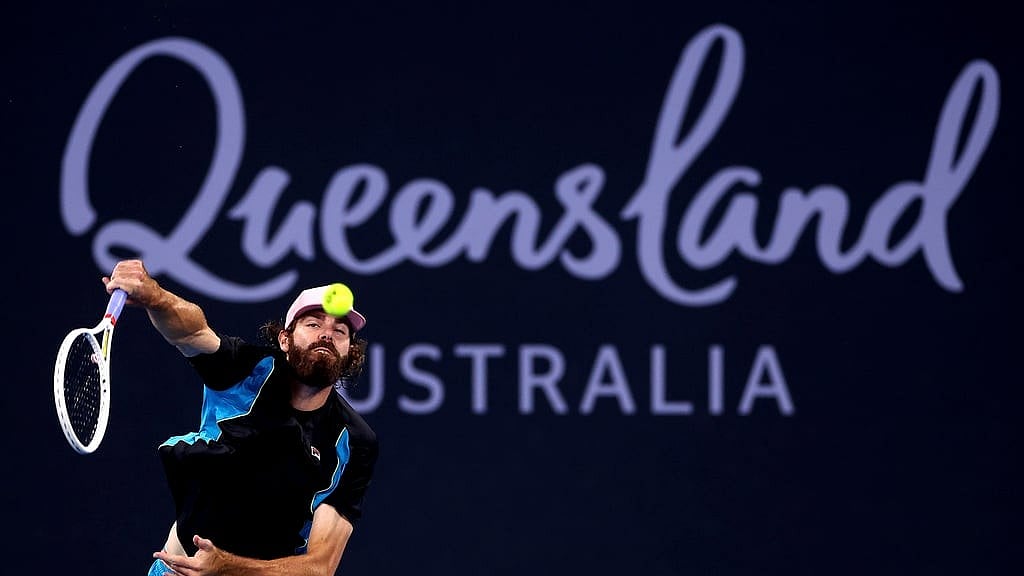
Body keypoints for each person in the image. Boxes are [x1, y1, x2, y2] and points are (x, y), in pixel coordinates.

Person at [103, 260, 378, 575]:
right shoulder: (247, 371)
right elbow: (192, 331)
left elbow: (321, 566)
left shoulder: (355, 441)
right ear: (285, 340)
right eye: (313, 325)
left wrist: (226, 567)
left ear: (350, 352)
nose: (327, 335)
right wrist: (156, 296)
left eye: (339, 331)